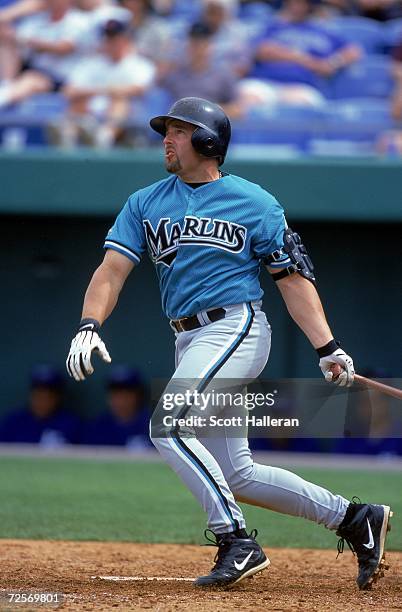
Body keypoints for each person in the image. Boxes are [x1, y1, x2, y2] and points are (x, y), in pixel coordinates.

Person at [66, 96, 392, 589]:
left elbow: (292, 278)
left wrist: (327, 347)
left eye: (177, 131)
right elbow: (111, 271)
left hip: (233, 327)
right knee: (236, 474)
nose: (167, 140)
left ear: (207, 141)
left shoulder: (254, 201)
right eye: (167, 131)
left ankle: (236, 541)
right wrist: (89, 324)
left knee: (169, 426)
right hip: (189, 337)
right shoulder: (146, 201)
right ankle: (356, 519)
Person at [57, 17, 156, 147]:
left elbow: (138, 89)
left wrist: (100, 91)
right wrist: (103, 90)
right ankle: (66, 141)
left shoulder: (140, 64)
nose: (111, 42)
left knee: (119, 101)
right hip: (89, 115)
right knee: (77, 103)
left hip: (126, 123)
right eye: (108, 38)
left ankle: (103, 138)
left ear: (126, 40)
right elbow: (68, 91)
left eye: (115, 37)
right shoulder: (90, 63)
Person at [250, 0, 361, 95]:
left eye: (301, 3)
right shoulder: (273, 25)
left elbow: (353, 51)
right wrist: (311, 62)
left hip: (303, 87)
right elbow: (262, 50)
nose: (296, 6)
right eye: (293, 2)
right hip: (265, 82)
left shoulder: (323, 30)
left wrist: (333, 63)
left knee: (301, 106)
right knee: (250, 96)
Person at [0, 364, 81, 446]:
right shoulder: (13, 423)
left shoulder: (71, 425)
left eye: (49, 396)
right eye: (38, 394)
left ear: (58, 397)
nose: (42, 401)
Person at [82, 365, 151, 449]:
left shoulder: (152, 426)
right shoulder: (95, 427)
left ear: (138, 395)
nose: (121, 399)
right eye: (116, 393)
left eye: (127, 393)